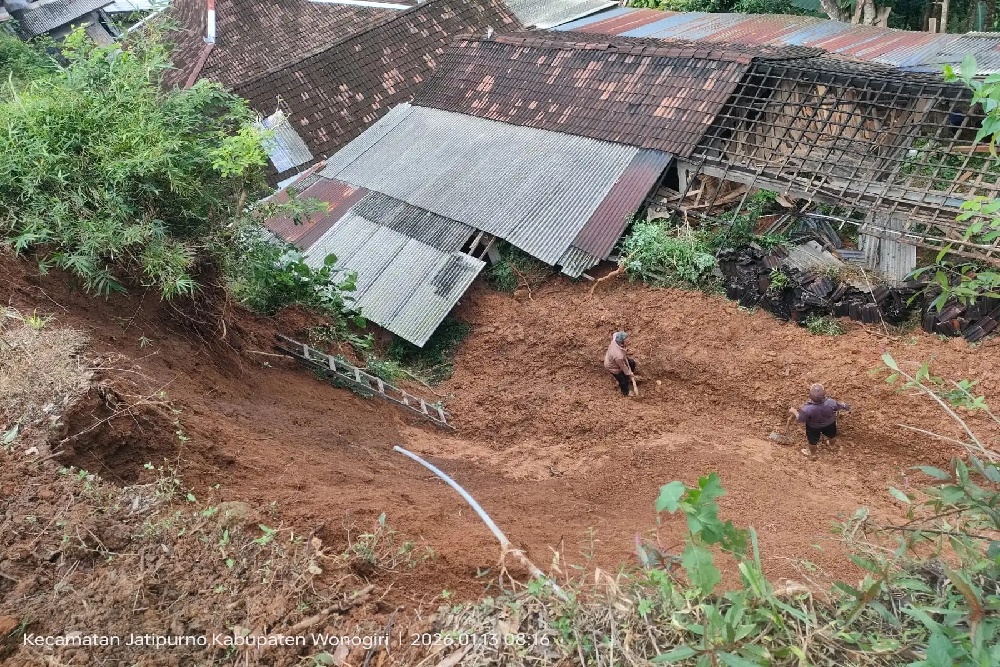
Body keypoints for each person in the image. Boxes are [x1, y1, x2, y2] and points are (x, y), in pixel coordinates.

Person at [789, 384, 850, 458]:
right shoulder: (831, 402)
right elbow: (840, 406)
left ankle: (813, 454)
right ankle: (832, 446)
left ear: (810, 396)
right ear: (824, 394)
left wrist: (794, 411)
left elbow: (800, 419)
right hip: (830, 424)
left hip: (813, 427)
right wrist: (845, 405)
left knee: (813, 441)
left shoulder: (807, 409)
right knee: (832, 435)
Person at [604, 331, 637, 397]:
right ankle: (625, 392)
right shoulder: (618, 356)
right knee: (623, 381)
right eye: (626, 341)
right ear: (621, 343)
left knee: (632, 363)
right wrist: (629, 373)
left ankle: (628, 378)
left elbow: (614, 334)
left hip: (617, 359)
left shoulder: (616, 338)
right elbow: (623, 367)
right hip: (613, 366)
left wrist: (630, 372)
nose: (629, 342)